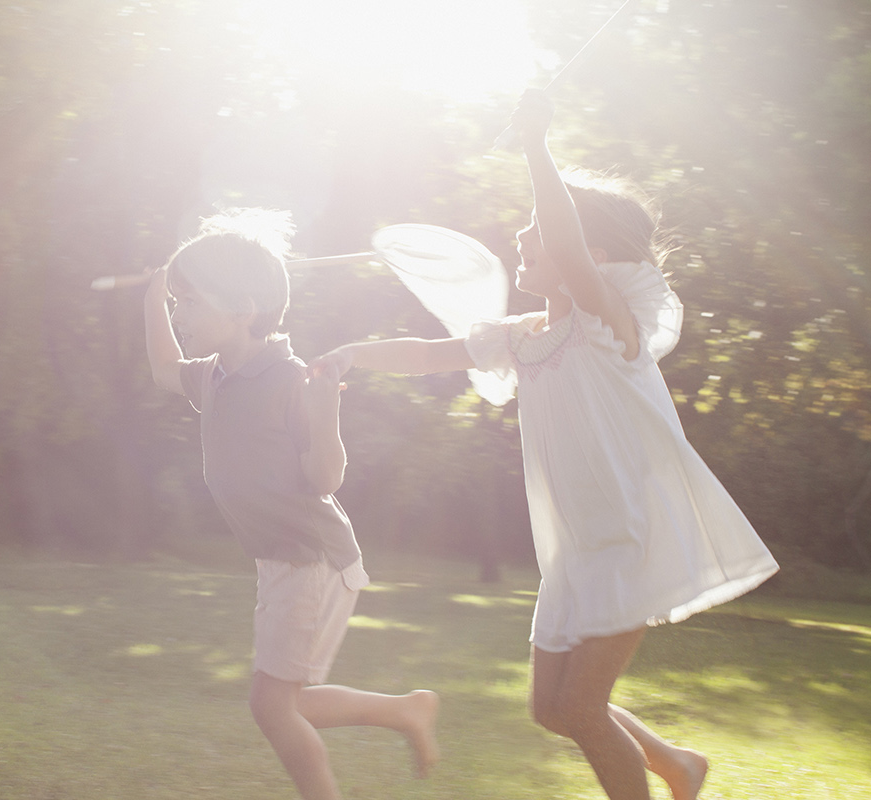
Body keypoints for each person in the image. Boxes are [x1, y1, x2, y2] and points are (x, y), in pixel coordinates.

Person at [310, 90, 778, 800]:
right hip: (575, 548)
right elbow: (431, 354)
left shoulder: (609, 325)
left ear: (589, 253)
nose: (524, 239)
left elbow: (563, 243)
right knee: (552, 710)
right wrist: (350, 353)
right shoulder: (526, 337)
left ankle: (669, 777)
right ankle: (678, 764)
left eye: (537, 227)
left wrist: (537, 147)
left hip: (628, 537)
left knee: (583, 709)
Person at [143, 208, 440, 800]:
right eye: (178, 303)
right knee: (289, 702)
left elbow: (325, 477)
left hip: (312, 558)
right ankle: (407, 712)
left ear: (241, 311)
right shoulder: (217, 375)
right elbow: (163, 371)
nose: (181, 314)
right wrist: (154, 293)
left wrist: (327, 410)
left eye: (188, 302)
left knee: (272, 707)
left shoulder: (290, 378)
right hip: (281, 559)